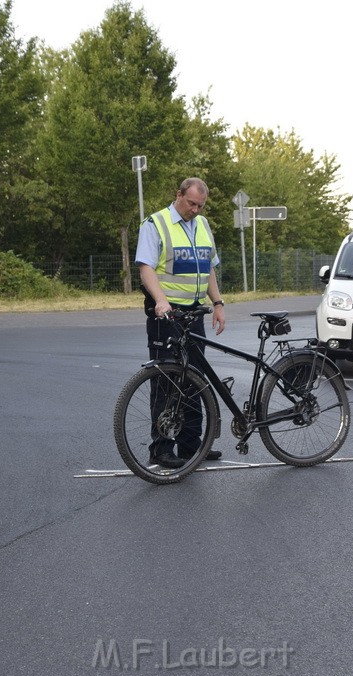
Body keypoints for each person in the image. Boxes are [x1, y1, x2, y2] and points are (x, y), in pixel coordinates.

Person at [135, 177, 226, 468]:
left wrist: (218, 303)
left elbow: (209, 266)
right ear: (178, 195)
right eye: (191, 204)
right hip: (166, 315)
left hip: (194, 314)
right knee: (166, 381)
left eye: (200, 205)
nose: (195, 210)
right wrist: (161, 300)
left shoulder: (203, 225)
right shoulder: (155, 224)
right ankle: (161, 449)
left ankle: (190, 445)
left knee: (194, 381)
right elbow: (146, 268)